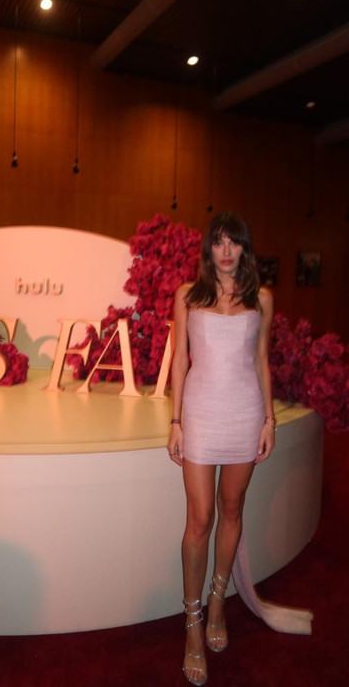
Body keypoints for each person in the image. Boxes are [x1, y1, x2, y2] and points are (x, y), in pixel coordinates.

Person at [168, 211, 311, 686]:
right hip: (200, 414)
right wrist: (175, 421)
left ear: (245, 249)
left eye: (235, 242)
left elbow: (261, 360)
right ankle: (192, 619)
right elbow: (179, 363)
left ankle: (217, 603)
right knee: (199, 519)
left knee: (232, 509)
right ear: (208, 248)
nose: (226, 251)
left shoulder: (261, 298)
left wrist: (269, 420)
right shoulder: (187, 296)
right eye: (218, 242)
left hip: (245, 413)